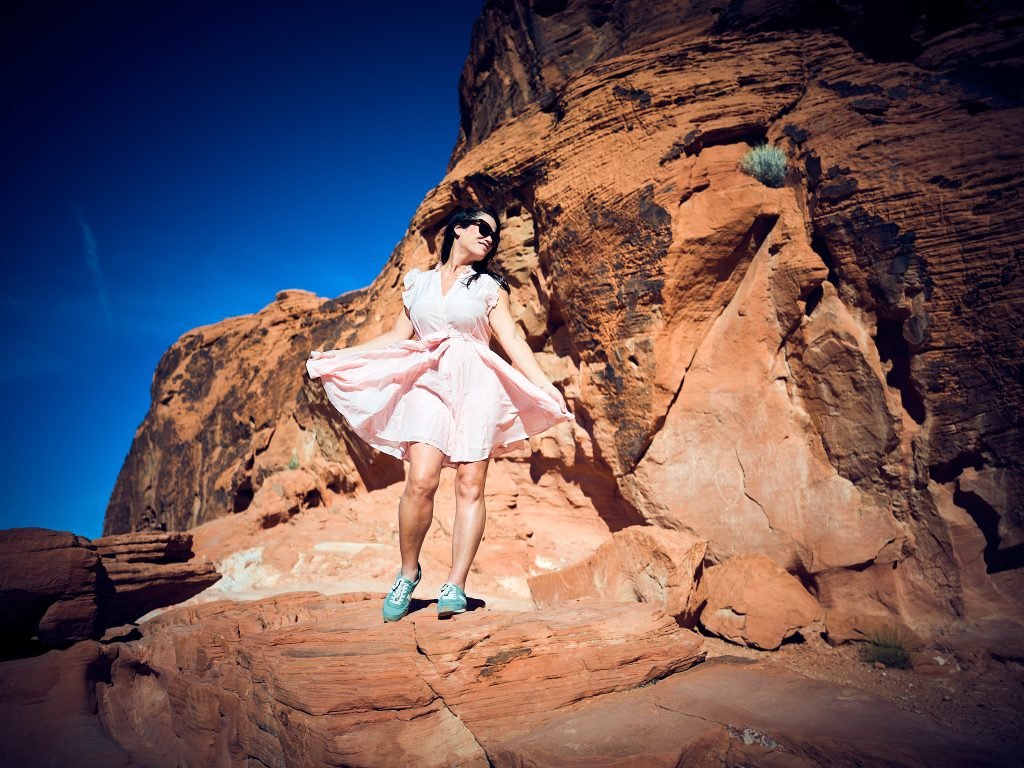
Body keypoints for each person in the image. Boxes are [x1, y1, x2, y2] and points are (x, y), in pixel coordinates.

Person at [306, 205, 573, 622]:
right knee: (421, 480)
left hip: (476, 383)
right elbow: (397, 337)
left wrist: (542, 383)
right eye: (482, 228)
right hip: (427, 380)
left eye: (495, 235)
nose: (490, 237)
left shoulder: (488, 287)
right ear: (458, 229)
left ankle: (456, 584)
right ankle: (408, 572)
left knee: (470, 484)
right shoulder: (418, 283)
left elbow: (511, 339)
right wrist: (340, 355)